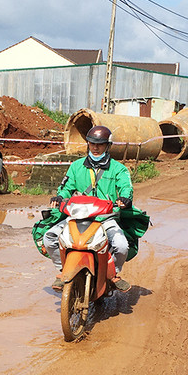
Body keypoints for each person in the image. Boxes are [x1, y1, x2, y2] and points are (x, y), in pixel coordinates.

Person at [42, 125, 134, 293]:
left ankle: (112, 274)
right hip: (78, 216)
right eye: (92, 143)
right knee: (49, 238)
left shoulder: (119, 169)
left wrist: (125, 198)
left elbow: (126, 188)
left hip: (105, 218)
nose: (95, 147)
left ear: (108, 146)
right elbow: (65, 187)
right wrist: (60, 197)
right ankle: (63, 271)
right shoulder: (76, 167)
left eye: (100, 144)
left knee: (122, 246)